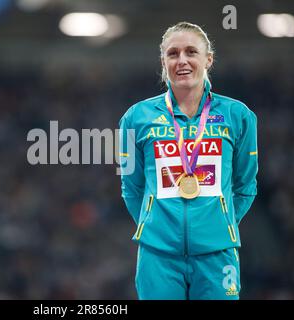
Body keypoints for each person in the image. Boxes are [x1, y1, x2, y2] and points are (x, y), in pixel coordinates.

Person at [119, 22, 258, 300]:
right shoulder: (135, 118)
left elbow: (245, 186)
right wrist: (158, 226)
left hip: (218, 254)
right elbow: (131, 188)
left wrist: (219, 223)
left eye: (191, 52)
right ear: (163, 61)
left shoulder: (238, 116)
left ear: (208, 59)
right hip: (157, 255)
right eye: (173, 54)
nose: (182, 60)